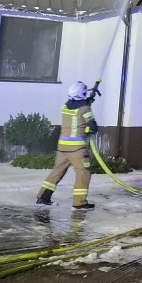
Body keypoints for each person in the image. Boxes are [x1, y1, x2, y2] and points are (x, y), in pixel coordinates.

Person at [35, 80, 100, 210]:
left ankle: (43, 197)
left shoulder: (65, 107)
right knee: (83, 173)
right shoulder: (85, 109)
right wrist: (87, 129)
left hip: (62, 148)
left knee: (57, 171)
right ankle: (79, 203)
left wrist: (87, 101)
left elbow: (76, 109)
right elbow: (93, 127)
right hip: (77, 149)